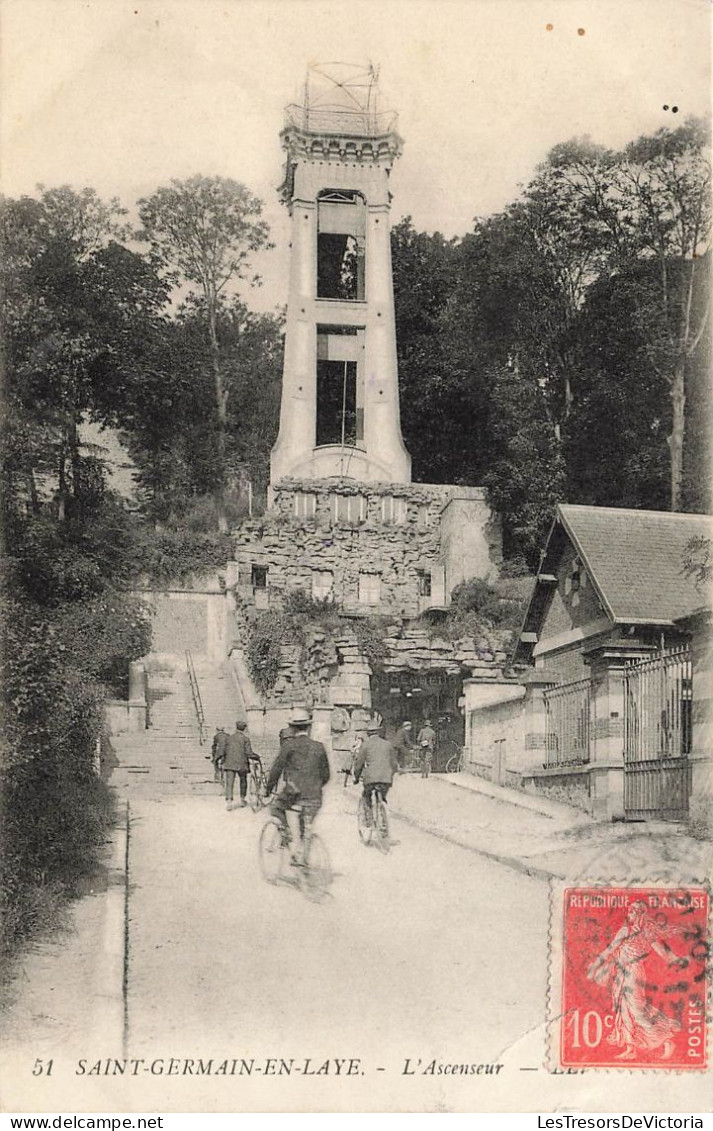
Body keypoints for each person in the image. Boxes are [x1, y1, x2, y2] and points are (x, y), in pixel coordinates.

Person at [586, 901, 686, 1060]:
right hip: (622, 973)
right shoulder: (626, 930)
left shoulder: (644, 932)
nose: (629, 915)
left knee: (637, 1010)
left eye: (632, 912)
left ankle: (666, 1040)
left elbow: (663, 953)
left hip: (633, 973)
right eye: (629, 911)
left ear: (640, 913)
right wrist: (595, 966)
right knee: (624, 1010)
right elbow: (610, 950)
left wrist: (679, 961)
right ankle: (630, 1047)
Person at [265, 706, 331, 860]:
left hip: (294, 793)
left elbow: (276, 769)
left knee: (275, 807)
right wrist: (315, 786)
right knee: (305, 823)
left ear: (292, 728)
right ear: (308, 727)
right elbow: (326, 775)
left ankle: (287, 834)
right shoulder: (319, 747)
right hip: (315, 796)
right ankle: (303, 855)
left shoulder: (289, 746)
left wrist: (267, 790)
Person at [352, 719, 399, 822]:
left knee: (366, 796)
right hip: (386, 778)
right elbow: (394, 764)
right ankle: (383, 818)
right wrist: (392, 773)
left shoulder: (365, 745)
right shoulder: (388, 744)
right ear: (378, 732)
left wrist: (356, 777)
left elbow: (359, 764)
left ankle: (368, 820)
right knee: (382, 796)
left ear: (368, 733)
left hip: (370, 779)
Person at [222, 719, 253, 811]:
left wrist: (224, 760)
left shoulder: (228, 738)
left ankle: (229, 803)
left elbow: (224, 751)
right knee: (243, 781)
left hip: (229, 763)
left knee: (229, 782)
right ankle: (242, 800)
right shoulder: (245, 739)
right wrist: (256, 756)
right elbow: (249, 753)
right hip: (241, 763)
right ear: (244, 729)